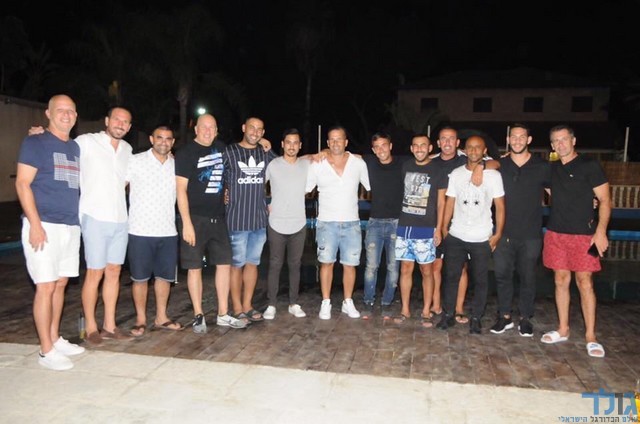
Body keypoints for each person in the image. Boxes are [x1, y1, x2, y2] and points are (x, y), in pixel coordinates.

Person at [16, 94, 85, 370]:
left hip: (70, 224)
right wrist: (35, 224)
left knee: (60, 283)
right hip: (44, 224)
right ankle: (45, 350)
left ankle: (55, 338)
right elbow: (23, 184)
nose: (66, 115)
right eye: (60, 110)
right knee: (45, 285)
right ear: (48, 113)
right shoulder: (35, 142)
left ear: (76, 116)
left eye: (71, 111)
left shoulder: (75, 148)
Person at [540, 124, 610, 358]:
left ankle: (591, 336)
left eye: (564, 139)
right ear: (552, 146)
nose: (560, 144)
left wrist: (600, 232)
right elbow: (554, 193)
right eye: (555, 141)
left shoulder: (590, 165)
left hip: (585, 235)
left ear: (573, 140)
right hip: (556, 234)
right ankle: (563, 329)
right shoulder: (551, 169)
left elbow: (605, 200)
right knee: (560, 280)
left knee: (585, 282)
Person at [175, 114, 247, 333]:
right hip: (194, 219)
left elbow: (244, 149)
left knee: (224, 264)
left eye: (212, 127)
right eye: (204, 127)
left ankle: (223, 314)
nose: (208, 131)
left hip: (219, 219)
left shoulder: (222, 149)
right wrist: (186, 223)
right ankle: (198, 315)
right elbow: (180, 190)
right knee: (194, 267)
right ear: (196, 129)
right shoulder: (186, 153)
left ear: (216, 131)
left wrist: (263, 142)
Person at [76, 107, 135, 344]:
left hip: (120, 219)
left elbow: (128, 180)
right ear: (107, 120)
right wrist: (41, 134)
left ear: (129, 127)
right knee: (95, 273)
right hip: (94, 217)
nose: (121, 124)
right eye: (117, 119)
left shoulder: (127, 150)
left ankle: (110, 325)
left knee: (114, 272)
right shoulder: (86, 142)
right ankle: (91, 327)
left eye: (125, 122)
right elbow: (60, 149)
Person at [437, 135, 505, 334]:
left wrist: (498, 233)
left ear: (484, 151)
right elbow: (450, 202)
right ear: (464, 150)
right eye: (470, 147)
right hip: (457, 234)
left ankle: (476, 317)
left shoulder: (494, 176)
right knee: (451, 276)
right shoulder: (456, 174)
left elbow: (500, 207)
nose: (474, 151)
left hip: (481, 236)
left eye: (478, 147)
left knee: (481, 280)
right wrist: (444, 228)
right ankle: (448, 314)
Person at [490, 124, 550, 337]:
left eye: (521, 136)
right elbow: (480, 164)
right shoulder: (500, 165)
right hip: (503, 232)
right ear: (508, 140)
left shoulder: (542, 166)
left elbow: (558, 192)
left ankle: (525, 318)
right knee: (502, 276)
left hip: (531, 234)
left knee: (528, 278)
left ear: (529, 140)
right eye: (513, 137)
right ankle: (504, 316)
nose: (517, 140)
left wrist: (587, 203)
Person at [306, 126, 371, 320]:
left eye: (339, 139)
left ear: (346, 142)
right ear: (327, 143)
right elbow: (305, 188)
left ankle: (347, 301)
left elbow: (371, 185)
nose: (335, 143)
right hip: (326, 223)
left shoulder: (358, 163)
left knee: (350, 265)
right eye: (332, 140)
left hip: (352, 223)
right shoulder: (318, 164)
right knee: (326, 263)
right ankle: (326, 301)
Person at [430, 126, 493, 324]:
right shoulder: (432, 162)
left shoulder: (466, 160)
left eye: (451, 138)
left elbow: (497, 163)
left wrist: (481, 166)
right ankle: (436, 306)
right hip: (435, 221)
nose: (447, 142)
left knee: (462, 269)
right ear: (438, 143)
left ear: (458, 144)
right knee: (436, 267)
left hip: (460, 225)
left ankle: (458, 308)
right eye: (443, 138)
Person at [126, 125, 183, 336]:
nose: (163, 142)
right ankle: (140, 319)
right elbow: (117, 186)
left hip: (167, 231)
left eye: (168, 139)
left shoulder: (177, 165)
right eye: (159, 137)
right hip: (139, 230)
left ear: (173, 142)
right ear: (151, 139)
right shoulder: (135, 161)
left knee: (164, 278)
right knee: (140, 278)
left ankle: (161, 317)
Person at [224, 117, 277, 323]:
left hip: (258, 220)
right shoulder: (229, 152)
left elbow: (287, 164)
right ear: (243, 128)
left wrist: (319, 155)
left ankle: (247, 305)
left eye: (259, 129)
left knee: (252, 264)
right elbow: (213, 175)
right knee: (236, 265)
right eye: (252, 128)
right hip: (236, 219)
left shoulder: (265, 153)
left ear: (263, 133)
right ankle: (237, 307)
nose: (255, 132)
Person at [393, 134, 447, 327]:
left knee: (427, 270)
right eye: (415, 145)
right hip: (404, 227)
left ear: (430, 148)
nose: (419, 148)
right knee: (405, 269)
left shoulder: (438, 169)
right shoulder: (405, 166)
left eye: (423, 145)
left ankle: (426, 311)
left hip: (426, 228)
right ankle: (405, 310)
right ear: (411, 148)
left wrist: (438, 229)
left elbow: (441, 203)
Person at [263, 128, 309, 320]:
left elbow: (324, 156)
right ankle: (271, 304)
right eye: (288, 142)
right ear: (282, 144)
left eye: (295, 142)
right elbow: (256, 185)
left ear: (300, 146)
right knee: (275, 264)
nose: (291, 146)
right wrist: (263, 205)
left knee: (295, 265)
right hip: (276, 223)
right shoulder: (272, 165)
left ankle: (293, 303)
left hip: (298, 223)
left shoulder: (307, 164)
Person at [361, 132, 404, 319]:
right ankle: (368, 301)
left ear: (390, 146)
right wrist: (323, 152)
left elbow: (428, 157)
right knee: (371, 266)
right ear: (373, 150)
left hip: (397, 223)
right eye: (377, 147)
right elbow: (344, 154)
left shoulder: (403, 163)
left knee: (393, 267)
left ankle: (387, 302)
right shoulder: (369, 162)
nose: (381, 150)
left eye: (384, 145)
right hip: (375, 223)